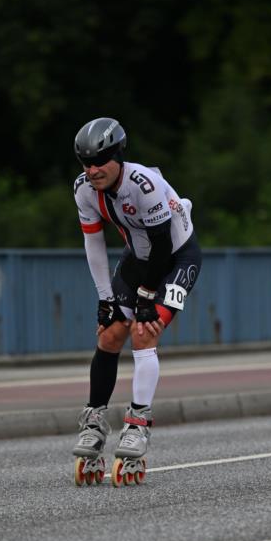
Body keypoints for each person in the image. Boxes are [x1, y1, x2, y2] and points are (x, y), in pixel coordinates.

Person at [71, 117, 202, 484]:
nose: (92, 170)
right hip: (137, 258)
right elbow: (93, 243)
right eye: (85, 163)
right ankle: (95, 417)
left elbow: (162, 245)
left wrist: (145, 298)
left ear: (118, 156)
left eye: (99, 161)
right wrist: (105, 299)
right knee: (110, 333)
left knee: (144, 332)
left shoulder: (143, 183)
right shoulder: (83, 189)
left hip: (176, 258)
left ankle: (138, 422)